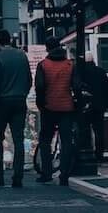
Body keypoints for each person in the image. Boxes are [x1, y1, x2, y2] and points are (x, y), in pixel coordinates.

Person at [0, 30, 32, 187]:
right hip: (19, 101)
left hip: (2, 102)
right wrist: (22, 94)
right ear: (10, 40)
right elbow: (29, 80)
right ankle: (18, 178)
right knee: (18, 139)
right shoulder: (22, 55)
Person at [34, 39, 78, 183]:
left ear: (47, 48)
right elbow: (76, 86)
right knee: (66, 141)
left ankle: (46, 172)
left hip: (49, 107)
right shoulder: (70, 65)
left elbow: (39, 87)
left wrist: (41, 103)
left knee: (45, 140)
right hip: (66, 107)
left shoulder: (43, 65)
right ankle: (64, 174)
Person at [71, 50, 108, 178]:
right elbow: (107, 90)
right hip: (99, 107)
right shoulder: (101, 72)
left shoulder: (80, 72)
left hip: (85, 107)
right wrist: (107, 105)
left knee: (85, 130)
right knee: (99, 131)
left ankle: (86, 153)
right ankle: (99, 155)